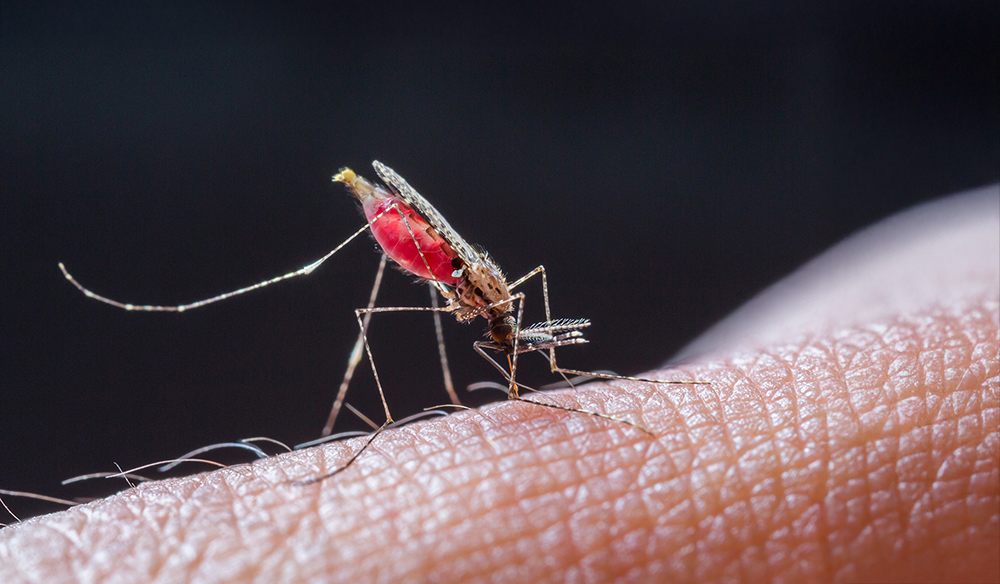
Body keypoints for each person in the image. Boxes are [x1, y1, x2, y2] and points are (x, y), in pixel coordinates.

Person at [1, 186, 997, 584]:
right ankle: (202, 330)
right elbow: (467, 283)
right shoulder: (467, 284)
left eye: (513, 341)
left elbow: (508, 304)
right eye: (513, 339)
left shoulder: (495, 298)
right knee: (348, 303)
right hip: (427, 254)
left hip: (447, 267)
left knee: (492, 315)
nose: (507, 337)